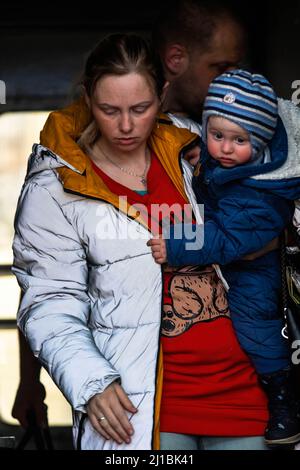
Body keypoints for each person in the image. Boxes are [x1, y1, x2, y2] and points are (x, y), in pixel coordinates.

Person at [11, 33, 272, 451]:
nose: (127, 126)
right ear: (87, 96)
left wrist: (221, 169)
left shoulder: (197, 146)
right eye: (109, 110)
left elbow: (275, 184)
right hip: (144, 408)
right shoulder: (54, 186)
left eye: (141, 108)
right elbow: (50, 300)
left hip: (241, 389)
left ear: (163, 94)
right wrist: (91, 381)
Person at [148, 69, 300, 446]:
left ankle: (283, 397)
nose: (225, 149)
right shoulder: (231, 160)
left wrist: (176, 244)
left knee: (255, 325)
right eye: (216, 136)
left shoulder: (263, 193)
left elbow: (231, 238)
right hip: (175, 400)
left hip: (251, 266)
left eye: (239, 140)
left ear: (262, 141)